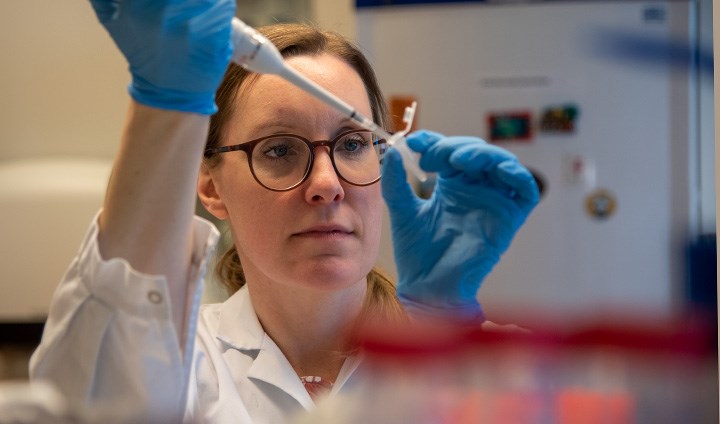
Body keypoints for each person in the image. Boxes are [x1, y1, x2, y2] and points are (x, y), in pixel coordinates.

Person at [29, 1, 539, 423]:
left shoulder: (498, 369)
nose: (326, 185)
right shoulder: (183, 365)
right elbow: (88, 404)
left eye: (353, 144)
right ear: (210, 186)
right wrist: (165, 100)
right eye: (279, 149)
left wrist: (439, 347)